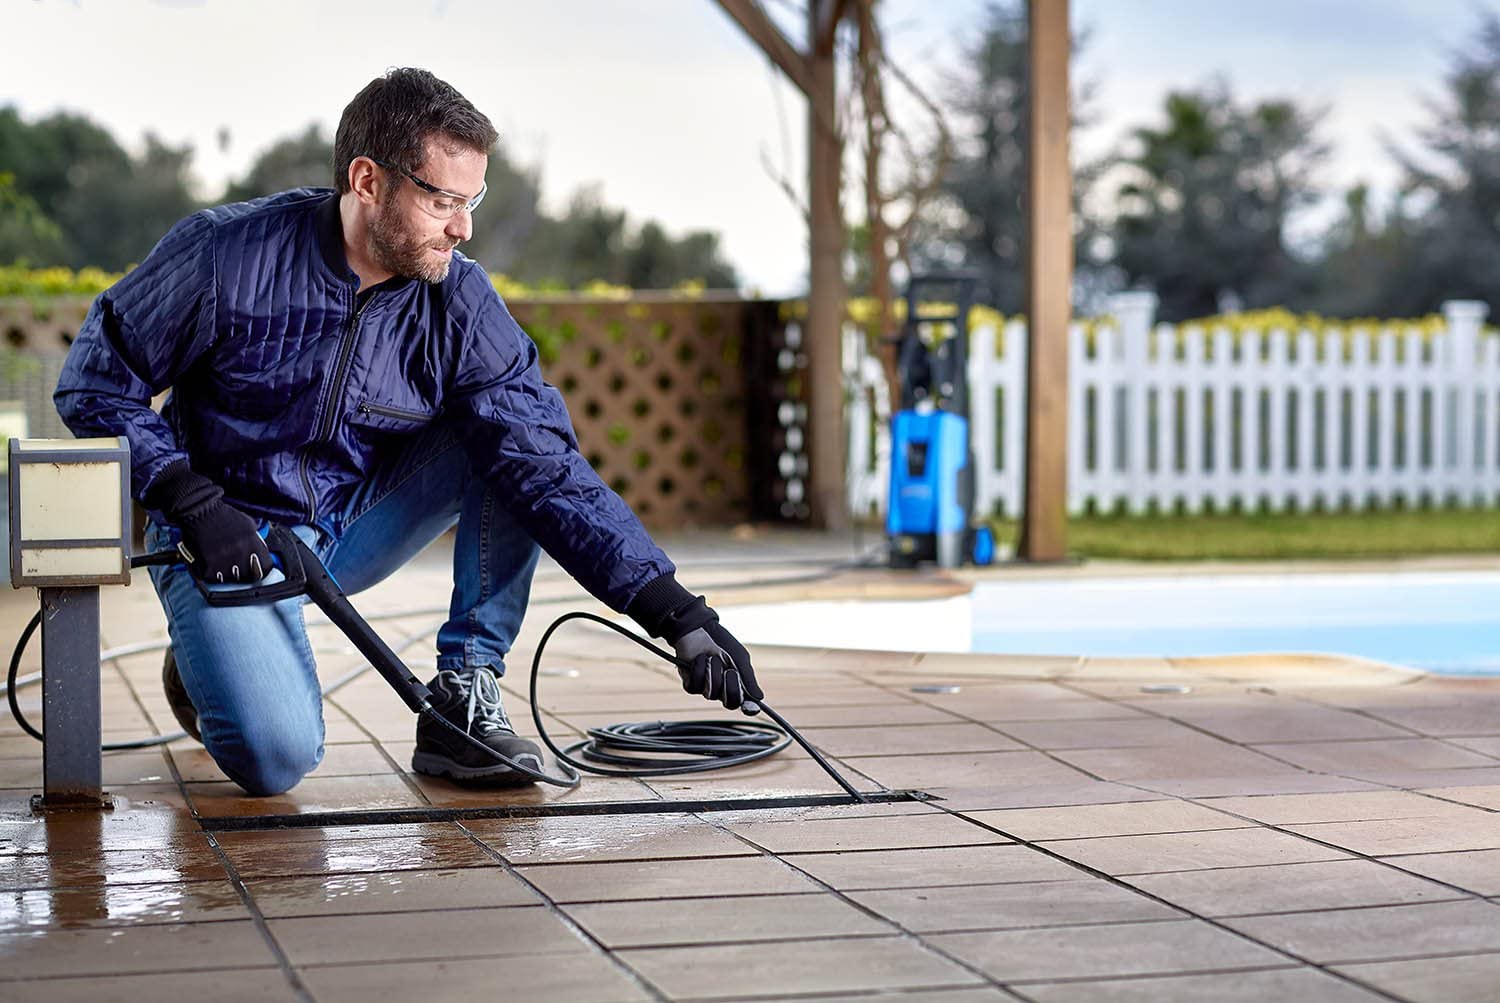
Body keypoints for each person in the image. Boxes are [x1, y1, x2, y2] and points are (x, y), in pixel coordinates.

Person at [54, 68, 761, 796]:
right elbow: (93, 381)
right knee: (276, 759)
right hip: (223, 534)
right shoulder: (224, 256)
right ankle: (213, 658)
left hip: (349, 524)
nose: (464, 227)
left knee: (511, 442)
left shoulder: (458, 300)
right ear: (367, 181)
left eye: (471, 200)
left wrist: (675, 611)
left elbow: (544, 466)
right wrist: (188, 497)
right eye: (442, 199)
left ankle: (466, 686)